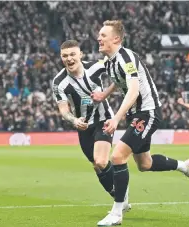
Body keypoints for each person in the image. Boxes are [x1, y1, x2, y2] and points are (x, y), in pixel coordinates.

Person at [92, 20, 189, 226]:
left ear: (116, 39)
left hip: (147, 112)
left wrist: (116, 117)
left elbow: (133, 89)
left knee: (117, 156)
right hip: (136, 115)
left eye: (103, 35)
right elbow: (117, 80)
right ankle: (185, 166)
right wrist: (103, 94)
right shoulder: (110, 61)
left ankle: (117, 211)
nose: (99, 38)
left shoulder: (127, 57)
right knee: (145, 164)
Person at [52, 40, 131, 213]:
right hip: (84, 126)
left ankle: (121, 199)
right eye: (65, 56)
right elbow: (64, 110)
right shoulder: (59, 82)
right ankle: (117, 194)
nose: (69, 58)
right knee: (97, 165)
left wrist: (105, 93)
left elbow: (120, 76)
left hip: (104, 120)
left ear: (80, 55)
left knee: (101, 160)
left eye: (73, 54)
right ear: (61, 58)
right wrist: (74, 120)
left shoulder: (97, 66)